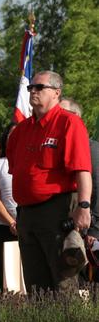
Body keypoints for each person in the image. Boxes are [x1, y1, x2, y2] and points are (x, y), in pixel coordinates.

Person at [7, 71, 92, 293]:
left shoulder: (68, 122)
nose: (32, 91)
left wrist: (84, 206)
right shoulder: (21, 130)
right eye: (30, 88)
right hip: (26, 214)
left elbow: (83, 169)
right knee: (36, 286)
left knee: (63, 283)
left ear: (56, 92)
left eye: (39, 87)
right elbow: (17, 171)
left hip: (57, 210)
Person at [58, 97, 99, 281]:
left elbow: (97, 187)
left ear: (75, 117)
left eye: (62, 114)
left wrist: (94, 230)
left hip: (89, 230)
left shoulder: (92, 149)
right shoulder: (62, 148)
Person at [0, 123, 18, 290]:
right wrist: (11, 222)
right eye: (11, 135)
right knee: (3, 278)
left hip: (30, 228)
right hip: (3, 228)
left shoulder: (32, 163)